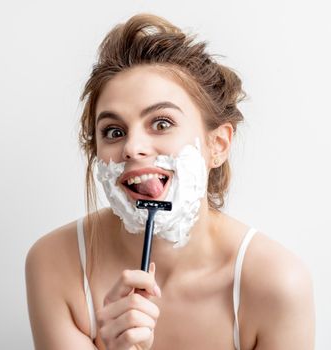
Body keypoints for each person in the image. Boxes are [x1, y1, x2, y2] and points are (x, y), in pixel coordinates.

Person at [25, 13, 315, 350]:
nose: (132, 147)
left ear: (217, 145)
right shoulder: (54, 265)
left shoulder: (276, 285)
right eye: (114, 131)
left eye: (161, 123)